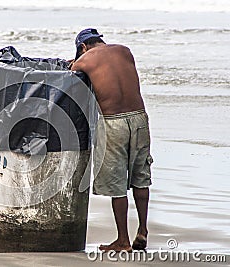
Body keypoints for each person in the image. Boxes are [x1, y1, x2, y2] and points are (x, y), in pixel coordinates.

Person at [70, 28, 153, 252]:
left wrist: (78, 61)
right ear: (99, 41)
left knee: (117, 184)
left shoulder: (84, 59)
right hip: (139, 119)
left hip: (113, 123)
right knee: (141, 177)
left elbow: (72, 72)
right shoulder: (125, 51)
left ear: (83, 47)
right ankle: (143, 231)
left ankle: (123, 241)